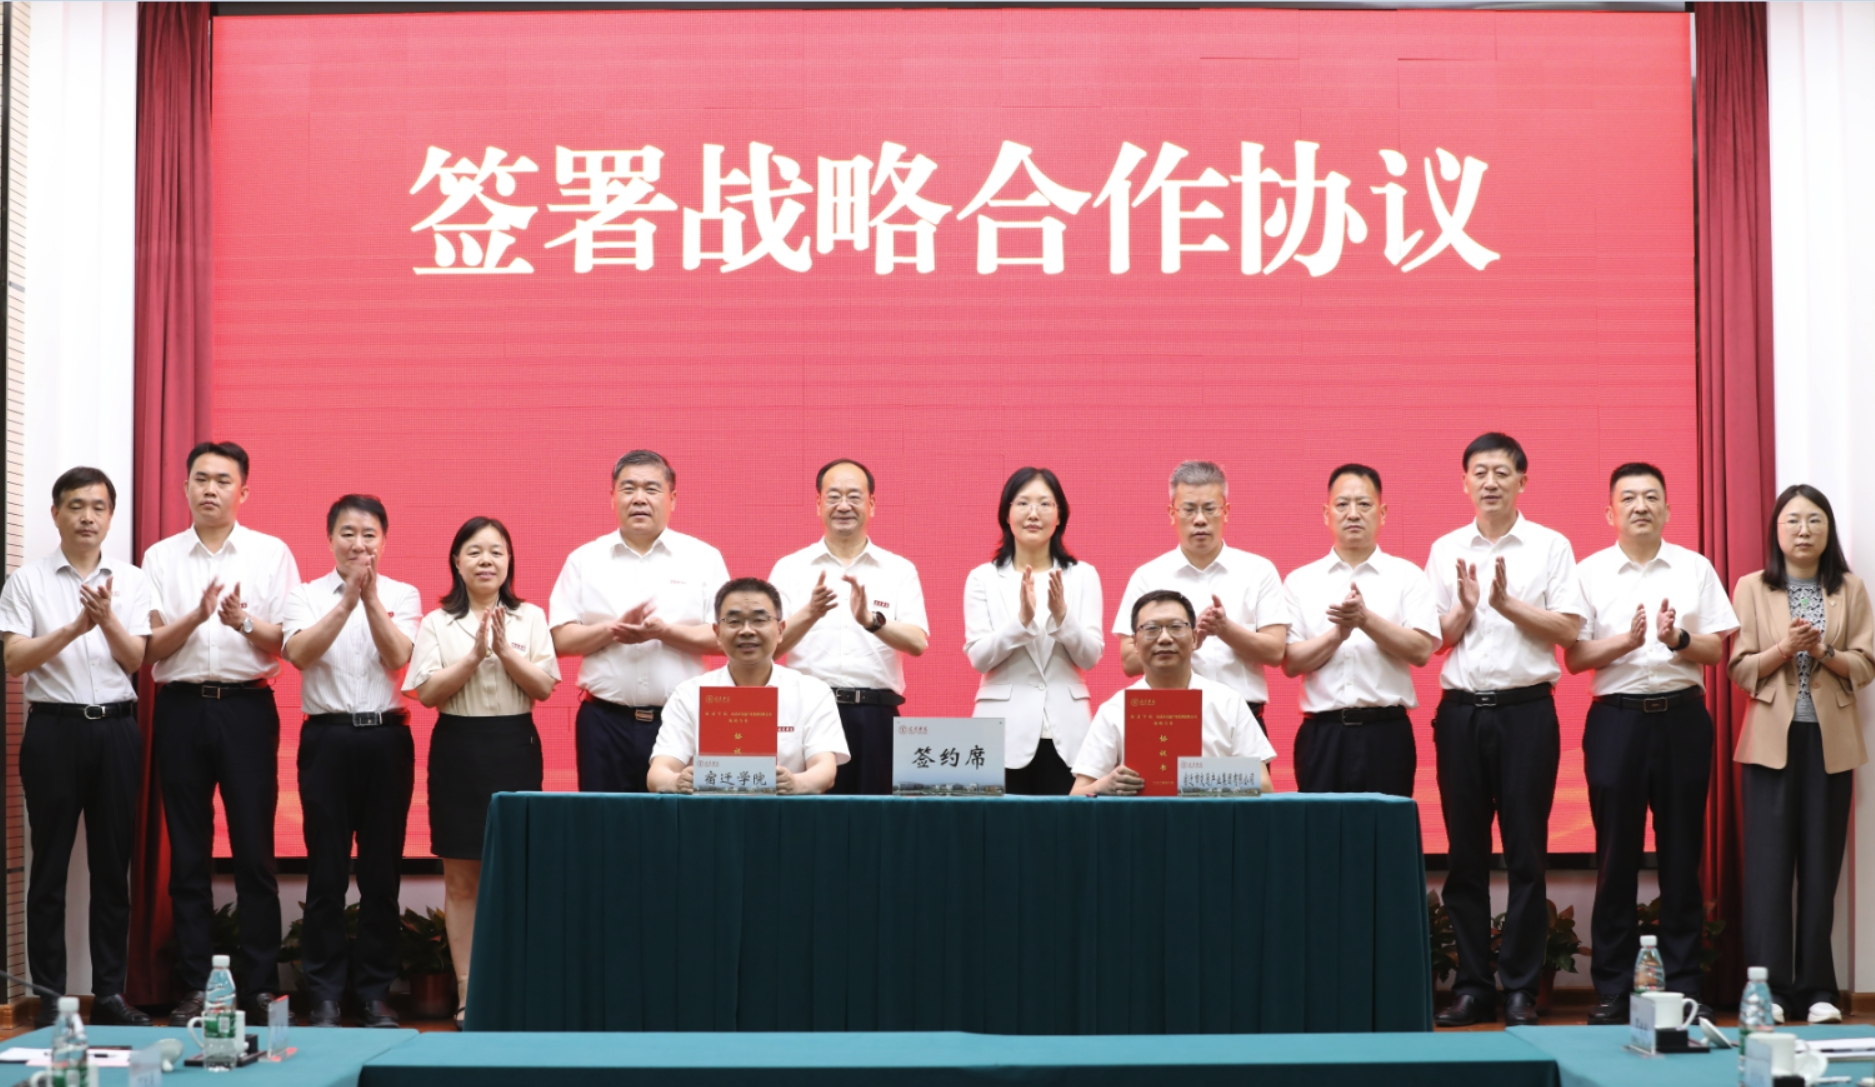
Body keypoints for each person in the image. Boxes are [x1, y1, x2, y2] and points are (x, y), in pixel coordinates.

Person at [1424, 434, 1588, 1028]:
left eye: (1501, 472)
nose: (1490, 482)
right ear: (1464, 482)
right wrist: (1467, 607)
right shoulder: (1445, 549)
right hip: (1461, 715)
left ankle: (1519, 987)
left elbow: (1569, 631)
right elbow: (1433, 640)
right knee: (1465, 858)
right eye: (1479, 472)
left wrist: (1507, 604)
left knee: (1526, 856)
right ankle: (1472, 987)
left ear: (1523, 481)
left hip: (1527, 715)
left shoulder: (1550, 545)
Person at [1566, 463, 1737, 1025]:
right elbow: (1575, 658)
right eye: (1628, 498)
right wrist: (1628, 642)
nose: (1640, 506)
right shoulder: (1589, 572)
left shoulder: (1694, 567)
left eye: (1651, 497)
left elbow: (1715, 652)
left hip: (1682, 720)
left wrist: (1677, 638)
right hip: (1615, 722)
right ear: (1609, 512)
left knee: (1682, 857)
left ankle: (1684, 985)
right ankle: (1615, 989)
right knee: (1615, 857)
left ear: (1667, 509)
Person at [143, 442, 300, 1025]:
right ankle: (195, 988)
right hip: (180, 708)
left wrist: (242, 621)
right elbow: (150, 646)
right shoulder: (159, 558)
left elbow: (288, 641)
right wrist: (196, 616)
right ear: (185, 487)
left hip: (247, 708)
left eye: (223, 480)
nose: (210, 489)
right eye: (201, 479)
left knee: (254, 853)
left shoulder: (270, 553)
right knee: (188, 857)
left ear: (244, 491)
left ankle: (258, 986)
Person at [0, 468, 153, 1027]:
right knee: (49, 872)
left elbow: (135, 660)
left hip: (117, 729)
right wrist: (74, 627)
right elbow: (13, 660)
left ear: (110, 516)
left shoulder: (132, 581)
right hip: (53, 732)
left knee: (113, 869)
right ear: (56, 513)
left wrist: (105, 619)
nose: (87, 516)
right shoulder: (27, 582)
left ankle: (109, 995)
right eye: (75, 506)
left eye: (98, 507)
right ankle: (50, 1000)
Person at [1728, 485, 1874, 1025]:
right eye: (1792, 520)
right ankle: (1767, 991)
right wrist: (1783, 649)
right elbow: (1740, 669)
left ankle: (1817, 990)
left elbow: (1865, 666)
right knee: (1768, 872)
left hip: (1829, 744)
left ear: (1828, 530)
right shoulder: (1752, 587)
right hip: (1771, 743)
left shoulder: (1849, 589)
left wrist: (1823, 650)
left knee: (1820, 868)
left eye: (1814, 520)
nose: (1804, 530)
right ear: (1777, 530)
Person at [406, 517, 560, 1027]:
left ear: (510, 561)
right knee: (462, 882)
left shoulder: (531, 617)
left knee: (518, 876)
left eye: (497, 551)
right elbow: (427, 693)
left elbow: (543, 687)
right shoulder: (437, 622)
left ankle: (516, 990)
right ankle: (469, 995)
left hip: (515, 747)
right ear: (457, 561)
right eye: (474, 551)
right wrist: (474, 656)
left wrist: (504, 651)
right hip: (458, 750)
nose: (486, 560)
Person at [279, 495, 422, 1029]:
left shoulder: (403, 594)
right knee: (326, 872)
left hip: (387, 739)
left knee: (382, 874)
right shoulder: (304, 595)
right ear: (330, 538)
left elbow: (398, 657)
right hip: (328, 739)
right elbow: (299, 654)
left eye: (369, 534)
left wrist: (371, 598)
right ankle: (323, 995)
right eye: (347, 533)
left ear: (384, 540)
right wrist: (346, 601)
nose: (358, 544)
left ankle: (375, 993)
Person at [550, 450, 729, 793]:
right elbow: (559, 639)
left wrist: (665, 633)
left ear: (672, 498)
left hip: (683, 720)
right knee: (604, 819)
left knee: (681, 818)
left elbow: (725, 637)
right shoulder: (584, 560)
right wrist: (612, 630)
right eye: (628, 488)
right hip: (603, 722)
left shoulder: (703, 558)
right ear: (612, 497)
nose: (639, 499)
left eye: (651, 488)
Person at [769, 459, 929, 794]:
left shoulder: (898, 569)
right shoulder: (790, 568)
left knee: (878, 817)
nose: (843, 506)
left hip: (876, 716)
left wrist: (873, 622)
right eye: (833, 497)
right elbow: (770, 648)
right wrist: (810, 613)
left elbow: (917, 642)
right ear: (818, 504)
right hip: (808, 713)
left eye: (854, 496)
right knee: (809, 815)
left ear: (872, 504)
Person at [1281, 464, 1440, 796]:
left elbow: (1421, 651)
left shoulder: (1407, 576)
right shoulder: (1300, 581)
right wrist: (1337, 636)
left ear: (1382, 513)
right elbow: (1291, 662)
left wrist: (1365, 620)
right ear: (1326, 513)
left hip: (1386, 735)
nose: (1353, 513)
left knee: (1386, 827)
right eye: (1342, 504)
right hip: (1322, 736)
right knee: (1319, 827)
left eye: (1364, 504)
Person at [963, 467, 1103, 795]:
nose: (1033, 513)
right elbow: (979, 658)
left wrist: (1062, 617)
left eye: (1045, 504)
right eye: (1023, 503)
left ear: (1059, 515)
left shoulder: (1083, 576)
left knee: (1065, 823)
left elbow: (1091, 656)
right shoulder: (982, 578)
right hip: (1000, 732)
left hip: (1067, 731)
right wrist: (1020, 624)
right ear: (1006, 513)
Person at [1112, 461, 1288, 723]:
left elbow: (1275, 652)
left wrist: (1225, 630)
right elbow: (1128, 661)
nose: (1200, 520)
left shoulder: (1258, 570)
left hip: (1240, 717)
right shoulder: (1148, 576)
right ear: (1172, 513)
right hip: (1169, 715)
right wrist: (1188, 640)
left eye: (1209, 508)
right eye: (1189, 509)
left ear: (1226, 512)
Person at [648, 577, 849, 794]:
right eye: (734, 621)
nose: (746, 631)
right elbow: (658, 773)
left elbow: (824, 770)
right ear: (717, 632)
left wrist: (796, 783)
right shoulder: (689, 694)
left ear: (780, 630)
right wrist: (677, 781)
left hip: (786, 810)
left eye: (759, 620)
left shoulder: (812, 692)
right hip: (710, 811)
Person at [1071, 590, 1276, 796]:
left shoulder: (1228, 702)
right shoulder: (1114, 710)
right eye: (1151, 628)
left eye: (1176, 627)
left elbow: (1264, 786)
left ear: (1194, 638)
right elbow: (1077, 794)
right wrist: (1103, 786)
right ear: (1134, 643)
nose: (1164, 638)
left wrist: (1189, 777)